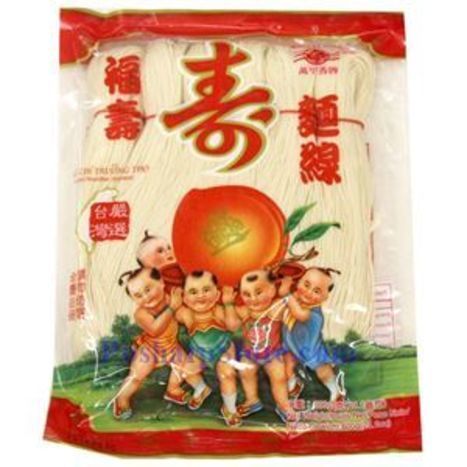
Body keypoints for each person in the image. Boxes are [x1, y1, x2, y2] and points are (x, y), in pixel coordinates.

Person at [113, 267, 208, 420]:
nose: (146, 297)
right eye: (138, 295)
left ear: (161, 283)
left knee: (187, 369)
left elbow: (184, 315)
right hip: (150, 350)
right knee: (136, 377)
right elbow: (155, 330)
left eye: (148, 289)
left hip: (171, 348)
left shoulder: (171, 300)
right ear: (134, 300)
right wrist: (172, 308)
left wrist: (195, 327)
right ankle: (121, 399)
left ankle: (175, 390)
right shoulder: (141, 313)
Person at [224, 269, 293, 423]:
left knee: (279, 378)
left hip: (273, 354)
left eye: (258, 292)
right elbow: (232, 326)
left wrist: (285, 292)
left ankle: (283, 405)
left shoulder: (274, 308)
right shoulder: (244, 311)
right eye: (246, 294)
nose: (253, 299)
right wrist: (228, 304)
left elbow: (288, 304)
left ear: (271, 291)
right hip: (250, 354)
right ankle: (252, 400)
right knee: (246, 374)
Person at [174, 270, 241, 427]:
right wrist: (174, 304)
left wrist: (228, 304)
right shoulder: (185, 313)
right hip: (199, 352)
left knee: (227, 375)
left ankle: (229, 408)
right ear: (185, 298)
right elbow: (170, 314)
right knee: (185, 371)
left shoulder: (219, 310)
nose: (200, 296)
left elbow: (233, 326)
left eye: (206, 290)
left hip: (223, 349)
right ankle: (201, 388)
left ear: (217, 294)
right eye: (193, 292)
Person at [282, 267, 346, 402]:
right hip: (292, 344)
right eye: (306, 285)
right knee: (287, 364)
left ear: (325, 297)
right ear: (298, 282)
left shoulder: (313, 313)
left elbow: (300, 314)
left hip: (311, 350)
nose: (308, 292)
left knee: (322, 371)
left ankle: (335, 390)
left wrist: (286, 294)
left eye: (316, 291)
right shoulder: (297, 298)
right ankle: (293, 385)